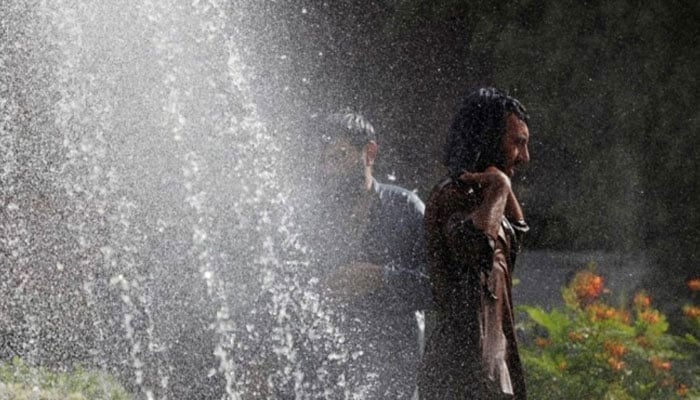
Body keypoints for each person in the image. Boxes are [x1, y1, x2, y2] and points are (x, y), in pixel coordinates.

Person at [308, 111, 431, 399]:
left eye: (339, 157)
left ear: (370, 153)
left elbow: (440, 285)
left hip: (393, 381)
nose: (330, 170)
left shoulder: (405, 209)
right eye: (324, 161)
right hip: (326, 378)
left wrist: (381, 277)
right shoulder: (313, 219)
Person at [418, 87, 531, 399]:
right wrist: (501, 187)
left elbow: (516, 237)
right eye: (517, 143)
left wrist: (501, 189)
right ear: (488, 138)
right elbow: (478, 247)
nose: (524, 156)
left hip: (491, 367)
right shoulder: (453, 196)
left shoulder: (487, 199)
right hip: (460, 374)